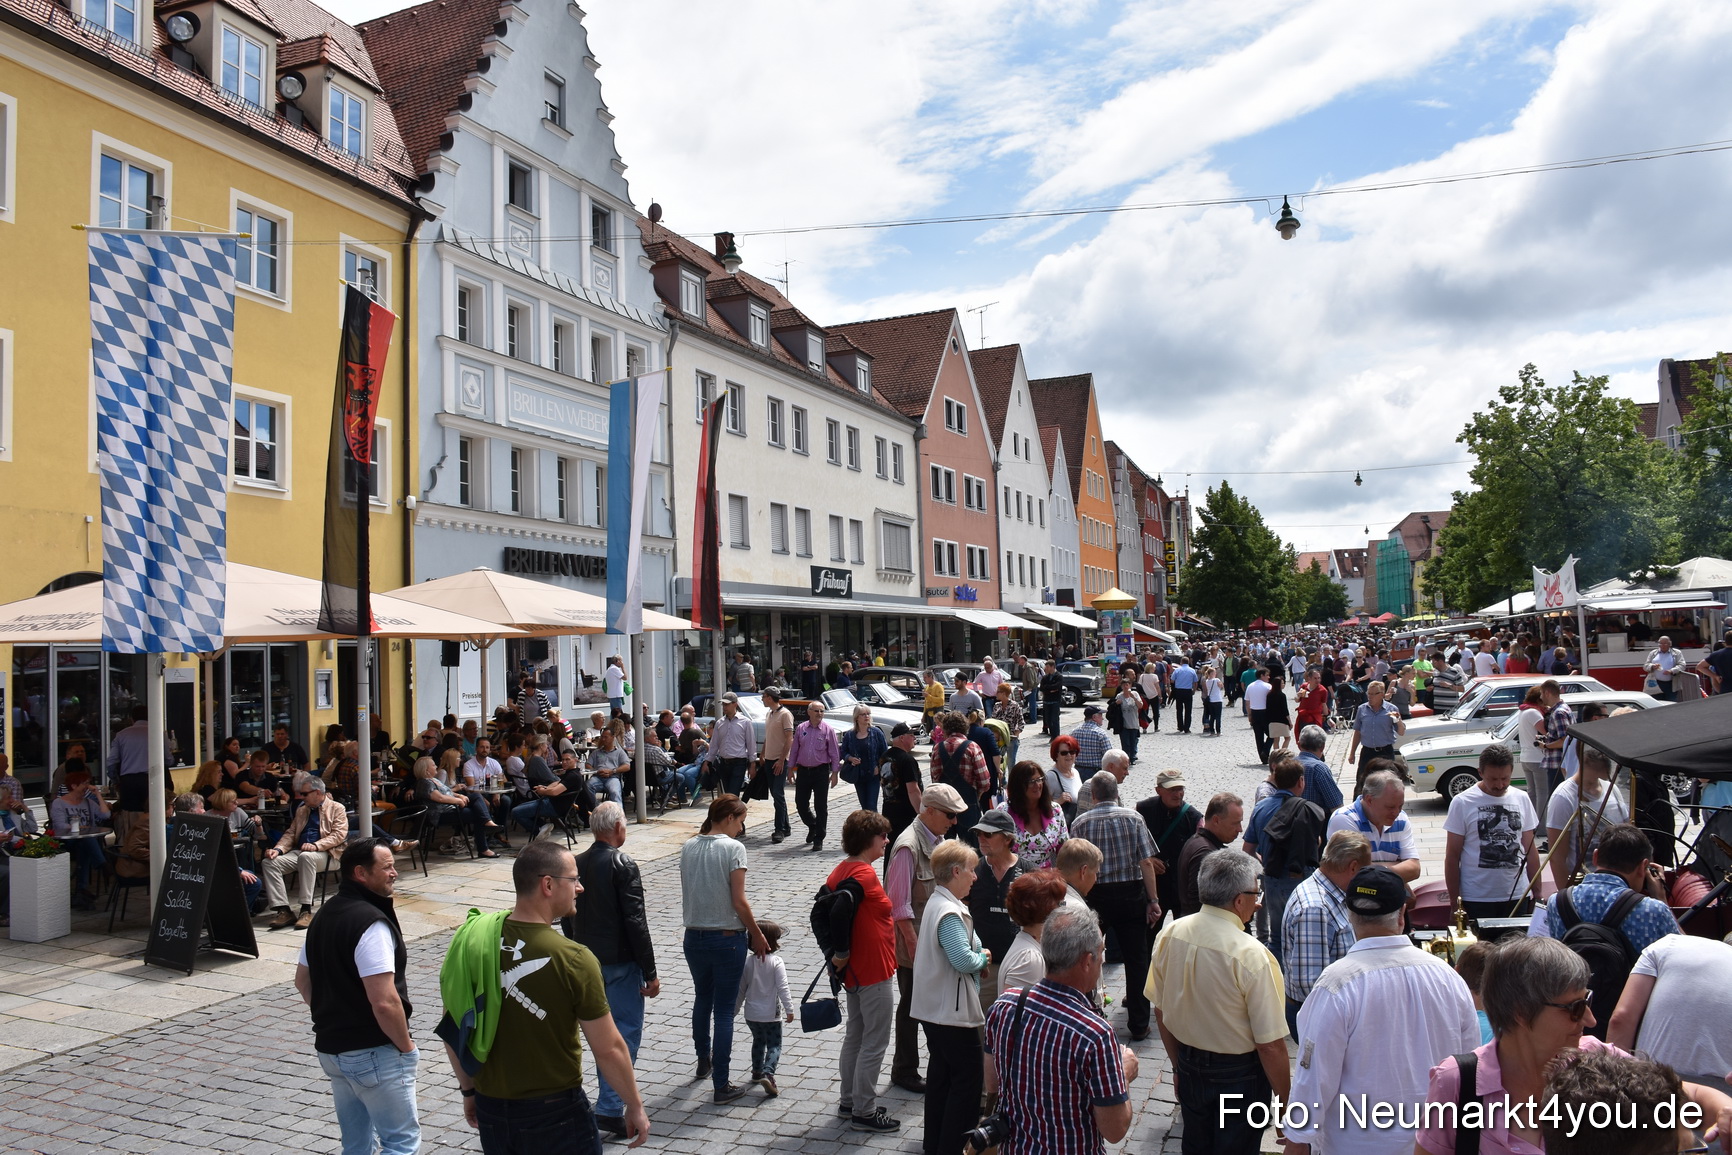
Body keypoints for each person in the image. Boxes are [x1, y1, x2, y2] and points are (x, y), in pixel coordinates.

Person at [1415, 935, 1732, 1155]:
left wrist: (1725, 1111)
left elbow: (1686, 1096)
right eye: (1575, 1007)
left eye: (1588, 1000)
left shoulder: (1595, 1058)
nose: (1591, 1020)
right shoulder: (1458, 1082)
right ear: (1521, 1012)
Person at [438, 840, 650, 1152]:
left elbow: (453, 1026)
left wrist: (469, 1091)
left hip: (492, 1109)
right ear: (548, 885)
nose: (580, 888)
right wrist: (635, 1105)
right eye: (574, 879)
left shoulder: (473, 942)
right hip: (555, 1114)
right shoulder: (573, 958)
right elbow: (608, 1048)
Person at [1283, 864, 1480, 1155]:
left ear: (1350, 915)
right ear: (1402, 914)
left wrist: (1296, 1142)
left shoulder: (1336, 985)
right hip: (1434, 1142)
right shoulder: (1447, 977)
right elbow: (1470, 1064)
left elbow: (1313, 1077)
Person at [1147, 848, 1289, 1155]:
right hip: (1239, 1075)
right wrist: (1284, 1105)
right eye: (1256, 893)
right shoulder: (1253, 956)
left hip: (1189, 1064)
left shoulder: (1170, 933)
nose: (1259, 901)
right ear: (1239, 901)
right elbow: (1270, 1045)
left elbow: (1160, 1011)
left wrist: (1178, 1069)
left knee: (1196, 1146)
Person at [295, 838, 419, 1155]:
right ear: (361, 873)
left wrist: (335, 1015)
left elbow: (302, 980)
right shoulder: (370, 924)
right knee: (400, 1143)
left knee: (356, 1145)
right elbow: (385, 1002)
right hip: (373, 1051)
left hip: (333, 1051)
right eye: (387, 867)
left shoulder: (323, 915)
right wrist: (406, 1048)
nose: (394, 873)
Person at [984, 904, 1139, 1154]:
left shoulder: (1004, 1006)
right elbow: (1114, 1130)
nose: (1103, 960)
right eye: (1101, 952)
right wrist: (1123, 1075)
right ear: (1087, 961)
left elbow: (992, 1084)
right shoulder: (1095, 1034)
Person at [556, 801, 658, 1137]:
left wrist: (574, 949)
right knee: (624, 1034)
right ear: (616, 827)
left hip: (587, 960)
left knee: (601, 1035)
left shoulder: (577, 862)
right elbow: (635, 920)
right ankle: (611, 1106)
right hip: (620, 962)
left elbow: (567, 914)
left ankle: (609, 1104)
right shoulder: (622, 863)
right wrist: (650, 970)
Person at [678, 795, 771, 1106]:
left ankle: (702, 1059)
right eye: (741, 821)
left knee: (702, 998)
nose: (741, 828)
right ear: (730, 818)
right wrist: (757, 933)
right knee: (724, 1011)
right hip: (727, 938)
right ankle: (721, 1084)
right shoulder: (733, 849)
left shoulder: (689, 846)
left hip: (694, 937)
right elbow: (739, 901)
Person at [887, 784, 967, 1094]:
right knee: (911, 1005)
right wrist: (914, 947)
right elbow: (899, 905)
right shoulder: (908, 847)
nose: (954, 821)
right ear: (930, 811)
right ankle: (904, 1069)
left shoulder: (938, 839)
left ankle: (939, 1063)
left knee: (933, 1002)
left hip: (936, 940)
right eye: (949, 815)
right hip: (917, 945)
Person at [910, 839, 989, 1155]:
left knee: (941, 1080)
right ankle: (953, 1148)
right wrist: (982, 958)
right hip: (952, 1013)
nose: (975, 877)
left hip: (936, 1010)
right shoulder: (950, 911)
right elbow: (963, 960)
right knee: (966, 1084)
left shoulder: (939, 901)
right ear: (956, 871)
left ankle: (936, 1146)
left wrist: (977, 952)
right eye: (971, 870)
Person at [1071, 770, 1161, 1039]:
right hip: (1130, 895)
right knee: (1137, 960)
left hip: (1095, 894)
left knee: (1087, 956)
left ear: (1093, 795)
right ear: (1116, 793)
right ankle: (1139, 1023)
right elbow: (1146, 862)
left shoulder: (1080, 823)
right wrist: (1153, 900)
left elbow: (1076, 866)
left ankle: (1088, 1015)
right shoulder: (1134, 818)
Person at [826, 809, 900, 1133]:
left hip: (856, 971)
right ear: (868, 838)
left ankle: (849, 1102)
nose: (887, 840)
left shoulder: (842, 869)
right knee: (875, 1041)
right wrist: (841, 953)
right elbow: (839, 913)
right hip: (873, 969)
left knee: (855, 1036)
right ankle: (865, 1112)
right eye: (882, 836)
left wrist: (842, 957)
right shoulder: (864, 875)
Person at [1608, 934, 1732, 1094]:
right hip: (1721, 1092)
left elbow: (1621, 1018)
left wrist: (1612, 1084)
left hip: (1651, 1082)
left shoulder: (1667, 944)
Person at [1277, 831, 1371, 1037]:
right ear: (1353, 867)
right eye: (1364, 870)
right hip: (1321, 1019)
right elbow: (1311, 985)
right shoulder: (1315, 908)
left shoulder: (1329, 893)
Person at [1443, 743, 1541, 922]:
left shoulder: (1522, 798)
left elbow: (1530, 850)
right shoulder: (1462, 802)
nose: (1499, 785)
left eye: (1505, 778)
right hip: (1476, 898)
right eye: (1493, 779)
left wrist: (1538, 893)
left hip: (1517, 895)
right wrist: (1454, 903)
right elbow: (1452, 856)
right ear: (1480, 773)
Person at [1241, 755, 1322, 966]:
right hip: (1302, 880)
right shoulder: (1307, 808)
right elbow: (1316, 845)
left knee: (1276, 937)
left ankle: (1276, 981)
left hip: (1273, 879)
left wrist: (1265, 863)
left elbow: (1247, 849)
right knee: (1302, 937)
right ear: (1301, 781)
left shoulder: (1261, 808)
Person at [263, 776, 349, 930]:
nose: (301, 797)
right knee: (269, 862)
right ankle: (284, 910)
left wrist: (316, 845)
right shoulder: (302, 810)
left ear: (317, 792)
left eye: (304, 794)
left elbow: (339, 835)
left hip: (329, 854)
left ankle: (305, 910)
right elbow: (291, 833)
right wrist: (278, 849)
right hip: (302, 852)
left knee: (306, 857)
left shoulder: (337, 808)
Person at [1547, 743, 1630, 888]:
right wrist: (1566, 896)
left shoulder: (1612, 790)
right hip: (1583, 885)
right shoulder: (1563, 797)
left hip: (1617, 884)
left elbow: (1627, 835)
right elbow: (1557, 857)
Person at [967, 810, 1025, 1005]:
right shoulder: (972, 871)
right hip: (984, 969)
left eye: (988, 834)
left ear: (1008, 839)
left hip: (1019, 967)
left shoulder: (1028, 873)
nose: (981, 838)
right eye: (978, 834)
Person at [1326, 768, 1421, 881]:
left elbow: (1414, 869)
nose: (1396, 812)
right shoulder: (1344, 819)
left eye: (1400, 806)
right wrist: (1397, 867)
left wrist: (1371, 868)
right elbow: (1350, 873)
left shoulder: (1401, 818)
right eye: (1390, 807)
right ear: (1369, 800)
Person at [735, 919, 793, 1098]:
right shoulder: (776, 962)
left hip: (752, 1015)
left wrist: (734, 1010)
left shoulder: (747, 963)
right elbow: (783, 987)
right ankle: (768, 1072)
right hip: (771, 1015)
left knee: (758, 1041)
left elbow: (740, 990)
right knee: (775, 1044)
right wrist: (789, 1009)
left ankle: (756, 1071)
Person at [1136, 769, 1198, 923]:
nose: (1178, 794)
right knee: (1149, 933)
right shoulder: (1142, 810)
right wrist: (1148, 860)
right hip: (1153, 888)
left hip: (1181, 888)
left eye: (1180, 789)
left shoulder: (1193, 817)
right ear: (1158, 790)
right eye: (1172, 789)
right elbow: (1131, 844)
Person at [995, 869, 1067, 996]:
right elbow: (1013, 1006)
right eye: (1059, 903)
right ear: (1045, 907)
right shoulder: (1029, 958)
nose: (1063, 909)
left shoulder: (1027, 943)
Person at [48, 768, 111, 908]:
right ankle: (102, 864)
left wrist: (98, 795)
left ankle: (81, 890)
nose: (87, 787)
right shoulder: (59, 803)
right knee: (86, 839)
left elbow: (106, 815)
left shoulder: (88, 802)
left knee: (84, 844)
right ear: (74, 786)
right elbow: (59, 825)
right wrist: (78, 827)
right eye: (84, 783)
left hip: (84, 842)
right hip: (67, 841)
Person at [412, 756, 498, 858]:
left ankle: (488, 822)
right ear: (426, 770)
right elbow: (440, 798)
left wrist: (460, 796)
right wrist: (458, 801)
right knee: (478, 814)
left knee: (476, 796)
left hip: (452, 809)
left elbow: (448, 792)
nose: (436, 766)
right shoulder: (424, 783)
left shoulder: (434, 780)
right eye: (433, 765)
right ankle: (484, 847)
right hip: (441, 814)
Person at [1175, 792, 1244, 917]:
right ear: (1216, 820)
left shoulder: (1196, 841)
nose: (1240, 829)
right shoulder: (1205, 853)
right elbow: (1198, 902)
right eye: (1235, 823)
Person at [786, 700, 841, 851]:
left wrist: (835, 773)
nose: (819, 714)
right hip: (803, 771)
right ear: (809, 712)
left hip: (821, 771)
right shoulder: (801, 728)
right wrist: (790, 769)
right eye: (816, 711)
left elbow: (834, 753)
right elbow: (794, 750)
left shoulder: (828, 730)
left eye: (822, 711)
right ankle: (813, 825)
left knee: (820, 805)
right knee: (801, 803)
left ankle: (819, 838)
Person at [928, 710, 989, 839]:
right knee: (971, 848)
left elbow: (935, 780)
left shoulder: (937, 748)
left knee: (947, 848)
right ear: (965, 727)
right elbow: (984, 782)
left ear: (945, 729)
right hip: (968, 805)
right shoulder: (972, 747)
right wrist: (977, 795)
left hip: (945, 808)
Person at [1000, 758, 1069, 870]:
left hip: (1046, 876)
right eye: (1031, 782)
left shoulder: (1055, 810)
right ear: (1018, 786)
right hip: (1014, 875)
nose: (1037, 785)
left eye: (1039, 780)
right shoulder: (1004, 812)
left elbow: (1064, 849)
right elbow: (995, 850)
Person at [1346, 680, 1404, 794]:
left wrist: (1398, 721)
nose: (1370, 697)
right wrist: (1352, 753)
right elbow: (1357, 732)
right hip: (1367, 752)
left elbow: (1401, 732)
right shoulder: (1362, 709)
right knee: (1361, 783)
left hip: (1385, 752)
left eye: (1374, 694)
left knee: (1388, 783)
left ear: (1382, 694)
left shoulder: (1391, 709)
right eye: (1369, 693)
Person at [758, 687, 796, 843]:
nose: (762, 699)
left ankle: (779, 829)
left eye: (764, 696)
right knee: (776, 794)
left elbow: (789, 738)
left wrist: (781, 760)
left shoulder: (785, 714)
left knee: (778, 794)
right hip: (769, 759)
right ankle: (786, 826)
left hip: (779, 760)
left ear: (769, 697)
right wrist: (762, 753)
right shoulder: (770, 714)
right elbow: (769, 736)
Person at [879, 722, 923, 847]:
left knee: (891, 845)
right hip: (906, 813)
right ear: (902, 738)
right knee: (906, 845)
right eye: (911, 735)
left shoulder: (884, 756)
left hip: (888, 809)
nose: (914, 737)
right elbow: (913, 790)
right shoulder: (907, 760)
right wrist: (921, 813)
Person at [839, 704, 887, 813]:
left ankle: (875, 824)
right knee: (864, 806)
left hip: (873, 774)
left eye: (868, 714)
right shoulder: (850, 735)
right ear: (856, 717)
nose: (866, 716)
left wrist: (879, 767)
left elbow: (885, 753)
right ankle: (866, 824)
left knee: (871, 806)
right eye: (863, 714)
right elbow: (843, 752)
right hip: (858, 775)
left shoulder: (876, 732)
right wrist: (850, 758)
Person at [707, 693, 755, 799]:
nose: (724, 707)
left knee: (732, 794)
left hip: (739, 763)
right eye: (723, 704)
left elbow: (751, 744)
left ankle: (732, 809)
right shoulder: (719, 723)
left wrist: (752, 764)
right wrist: (707, 761)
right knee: (727, 793)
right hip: (724, 763)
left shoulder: (745, 722)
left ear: (735, 704)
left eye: (727, 704)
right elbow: (714, 744)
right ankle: (731, 809)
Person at [1292, 725, 1344, 814]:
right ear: (1322, 747)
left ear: (1299, 745)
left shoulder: (1287, 764)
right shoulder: (1319, 768)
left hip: (1290, 818)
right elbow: (1336, 805)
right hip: (1315, 820)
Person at [1070, 705, 1112, 780]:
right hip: (1095, 773)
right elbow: (1108, 755)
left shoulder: (1074, 732)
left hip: (1077, 771)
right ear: (1094, 717)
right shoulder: (1101, 733)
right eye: (1100, 715)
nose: (1102, 718)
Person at [1108, 680, 1144, 763]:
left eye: (1127, 685)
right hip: (1123, 724)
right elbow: (1113, 708)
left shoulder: (1135, 694)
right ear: (1121, 686)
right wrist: (1116, 703)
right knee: (1125, 743)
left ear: (1130, 686)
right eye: (1123, 685)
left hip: (1134, 723)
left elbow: (1140, 706)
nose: (1125, 687)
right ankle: (1126, 759)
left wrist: (1133, 697)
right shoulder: (1119, 696)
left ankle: (1133, 757)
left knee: (1133, 742)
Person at [1244, 667, 1274, 761]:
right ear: (1262, 675)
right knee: (1272, 734)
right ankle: (1265, 750)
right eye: (1267, 675)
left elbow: (1247, 702)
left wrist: (1249, 714)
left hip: (1254, 712)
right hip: (1266, 712)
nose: (1269, 677)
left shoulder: (1250, 686)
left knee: (1258, 736)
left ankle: (1263, 757)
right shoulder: (1268, 686)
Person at [1644, 635, 1681, 701]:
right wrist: (1652, 666)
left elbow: (1682, 665)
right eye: (1661, 643)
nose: (1663, 645)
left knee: (1671, 703)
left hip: (1671, 684)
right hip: (1655, 684)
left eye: (1665, 643)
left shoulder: (1677, 653)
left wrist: (1672, 671)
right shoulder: (1653, 653)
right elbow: (1645, 666)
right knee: (1656, 703)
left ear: (1670, 644)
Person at [1168, 657, 1198, 733]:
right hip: (1188, 691)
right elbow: (1195, 682)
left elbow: (1172, 680)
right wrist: (1194, 690)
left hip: (1179, 691)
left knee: (1179, 709)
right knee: (1188, 710)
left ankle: (1180, 726)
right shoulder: (1192, 670)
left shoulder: (1177, 670)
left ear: (1181, 662)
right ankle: (1187, 728)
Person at [1038, 660, 1064, 738]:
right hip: (1046, 701)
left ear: (1052, 667)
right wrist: (1050, 689)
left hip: (1055, 701)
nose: (1046, 668)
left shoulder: (1059, 676)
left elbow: (1057, 686)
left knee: (1054, 719)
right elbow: (1042, 688)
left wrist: (1049, 688)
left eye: (1047, 667)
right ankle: (1052, 735)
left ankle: (1056, 736)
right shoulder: (1045, 677)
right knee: (1048, 720)